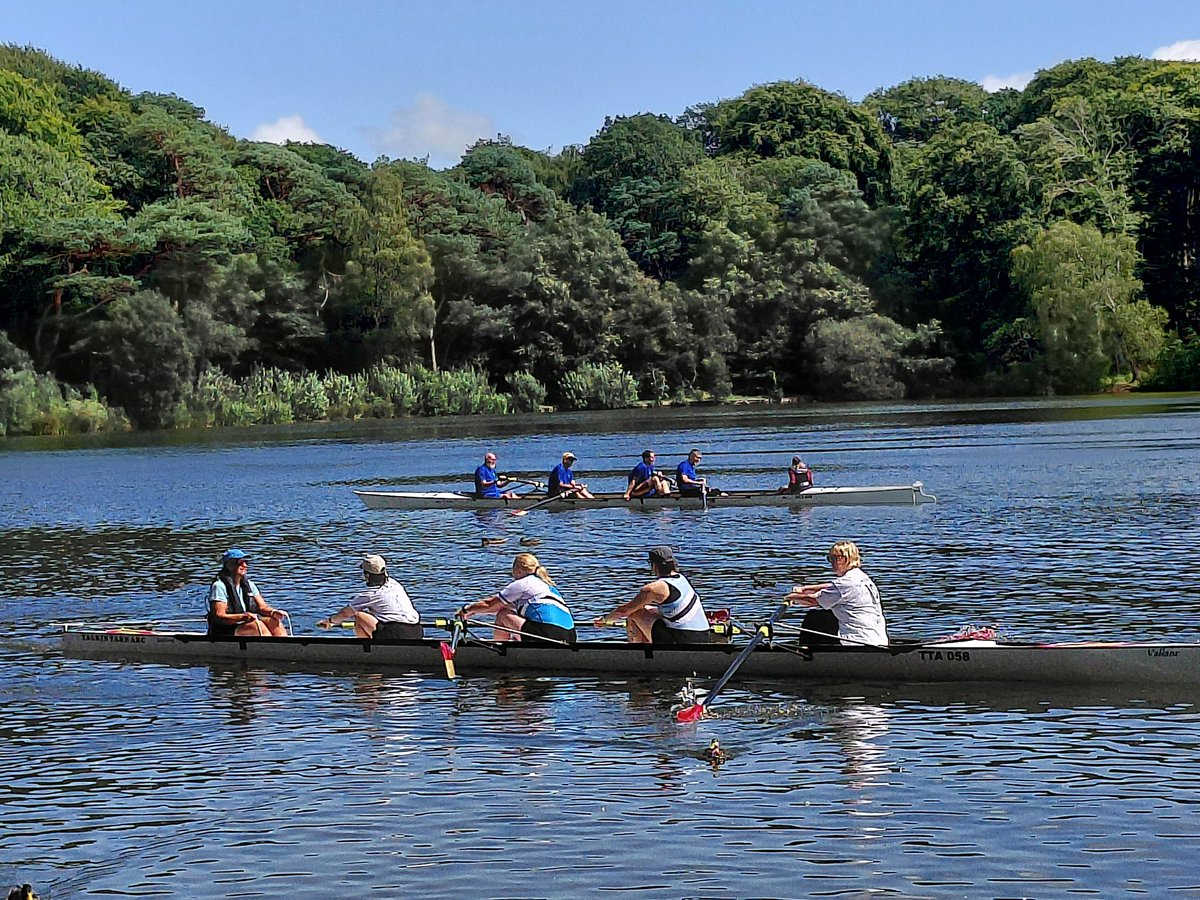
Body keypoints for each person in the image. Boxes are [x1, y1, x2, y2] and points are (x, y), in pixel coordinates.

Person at [593, 546, 711, 644]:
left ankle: (639, 654)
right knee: (647, 609)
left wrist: (605, 620)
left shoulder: (654, 588)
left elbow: (624, 610)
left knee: (635, 612)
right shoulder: (681, 578)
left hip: (683, 641)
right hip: (704, 636)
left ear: (654, 566)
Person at [460, 552, 577, 644]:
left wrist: (466, 610)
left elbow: (490, 604)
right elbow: (496, 607)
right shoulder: (546, 585)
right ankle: (514, 644)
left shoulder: (523, 583)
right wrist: (474, 612)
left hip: (548, 635)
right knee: (517, 616)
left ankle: (500, 648)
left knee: (503, 614)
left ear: (519, 570)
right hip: (570, 636)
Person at [786, 541, 887, 646]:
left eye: (833, 559)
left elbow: (812, 601)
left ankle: (807, 656)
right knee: (825, 615)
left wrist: (789, 597)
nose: (831, 563)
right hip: (878, 640)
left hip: (858, 643)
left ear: (844, 558)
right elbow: (831, 587)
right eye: (830, 559)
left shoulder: (846, 583)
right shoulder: (861, 577)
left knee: (814, 618)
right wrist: (805, 589)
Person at [317, 554, 422, 639]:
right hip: (417, 631)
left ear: (367, 576)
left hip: (396, 634)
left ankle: (367, 650)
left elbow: (346, 613)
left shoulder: (371, 594)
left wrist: (330, 621)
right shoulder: (395, 585)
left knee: (359, 616)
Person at [206, 549, 288, 637]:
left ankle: (287, 646)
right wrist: (243, 617)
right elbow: (219, 616)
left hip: (244, 625)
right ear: (228, 564)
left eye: (246, 562)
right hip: (224, 630)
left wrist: (273, 612)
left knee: (273, 621)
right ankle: (270, 648)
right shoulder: (219, 586)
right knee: (257, 626)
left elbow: (262, 607)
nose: (244, 565)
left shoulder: (249, 585)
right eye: (239, 562)